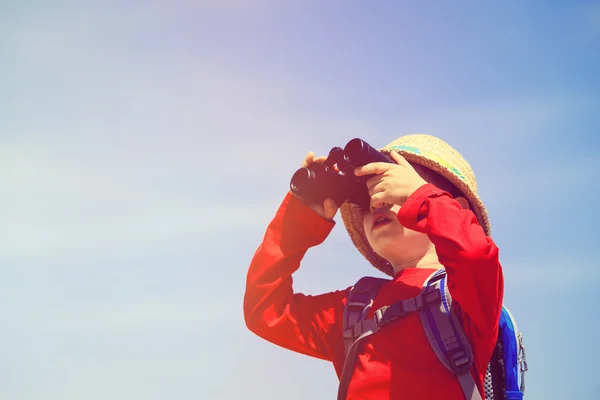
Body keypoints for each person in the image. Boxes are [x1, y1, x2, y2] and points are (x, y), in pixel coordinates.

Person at [243, 134, 504, 399]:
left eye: (391, 192)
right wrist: (299, 220)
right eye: (367, 201)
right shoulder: (356, 309)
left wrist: (421, 198)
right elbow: (265, 310)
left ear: (456, 208)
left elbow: (475, 253)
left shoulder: (467, 297)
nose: (377, 202)